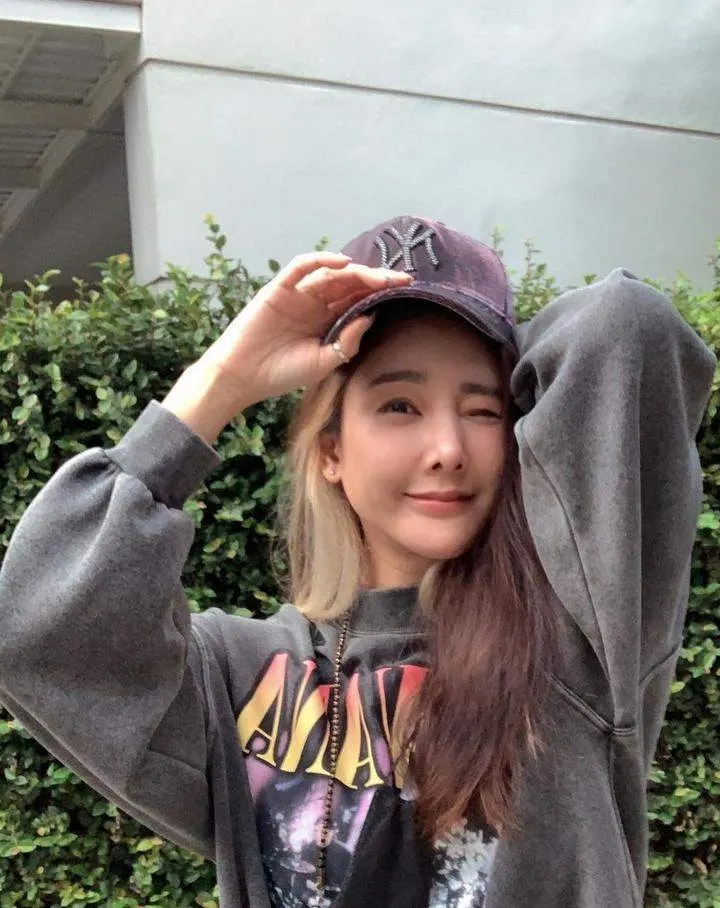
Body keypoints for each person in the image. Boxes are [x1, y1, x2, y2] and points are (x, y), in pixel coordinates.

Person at [0, 215, 715, 908]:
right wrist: (225, 376)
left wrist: (508, 337)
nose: (448, 449)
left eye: (484, 409)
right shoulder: (237, 676)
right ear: (332, 451)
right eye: (400, 405)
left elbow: (627, 326)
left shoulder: (577, 638)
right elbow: (35, 632)